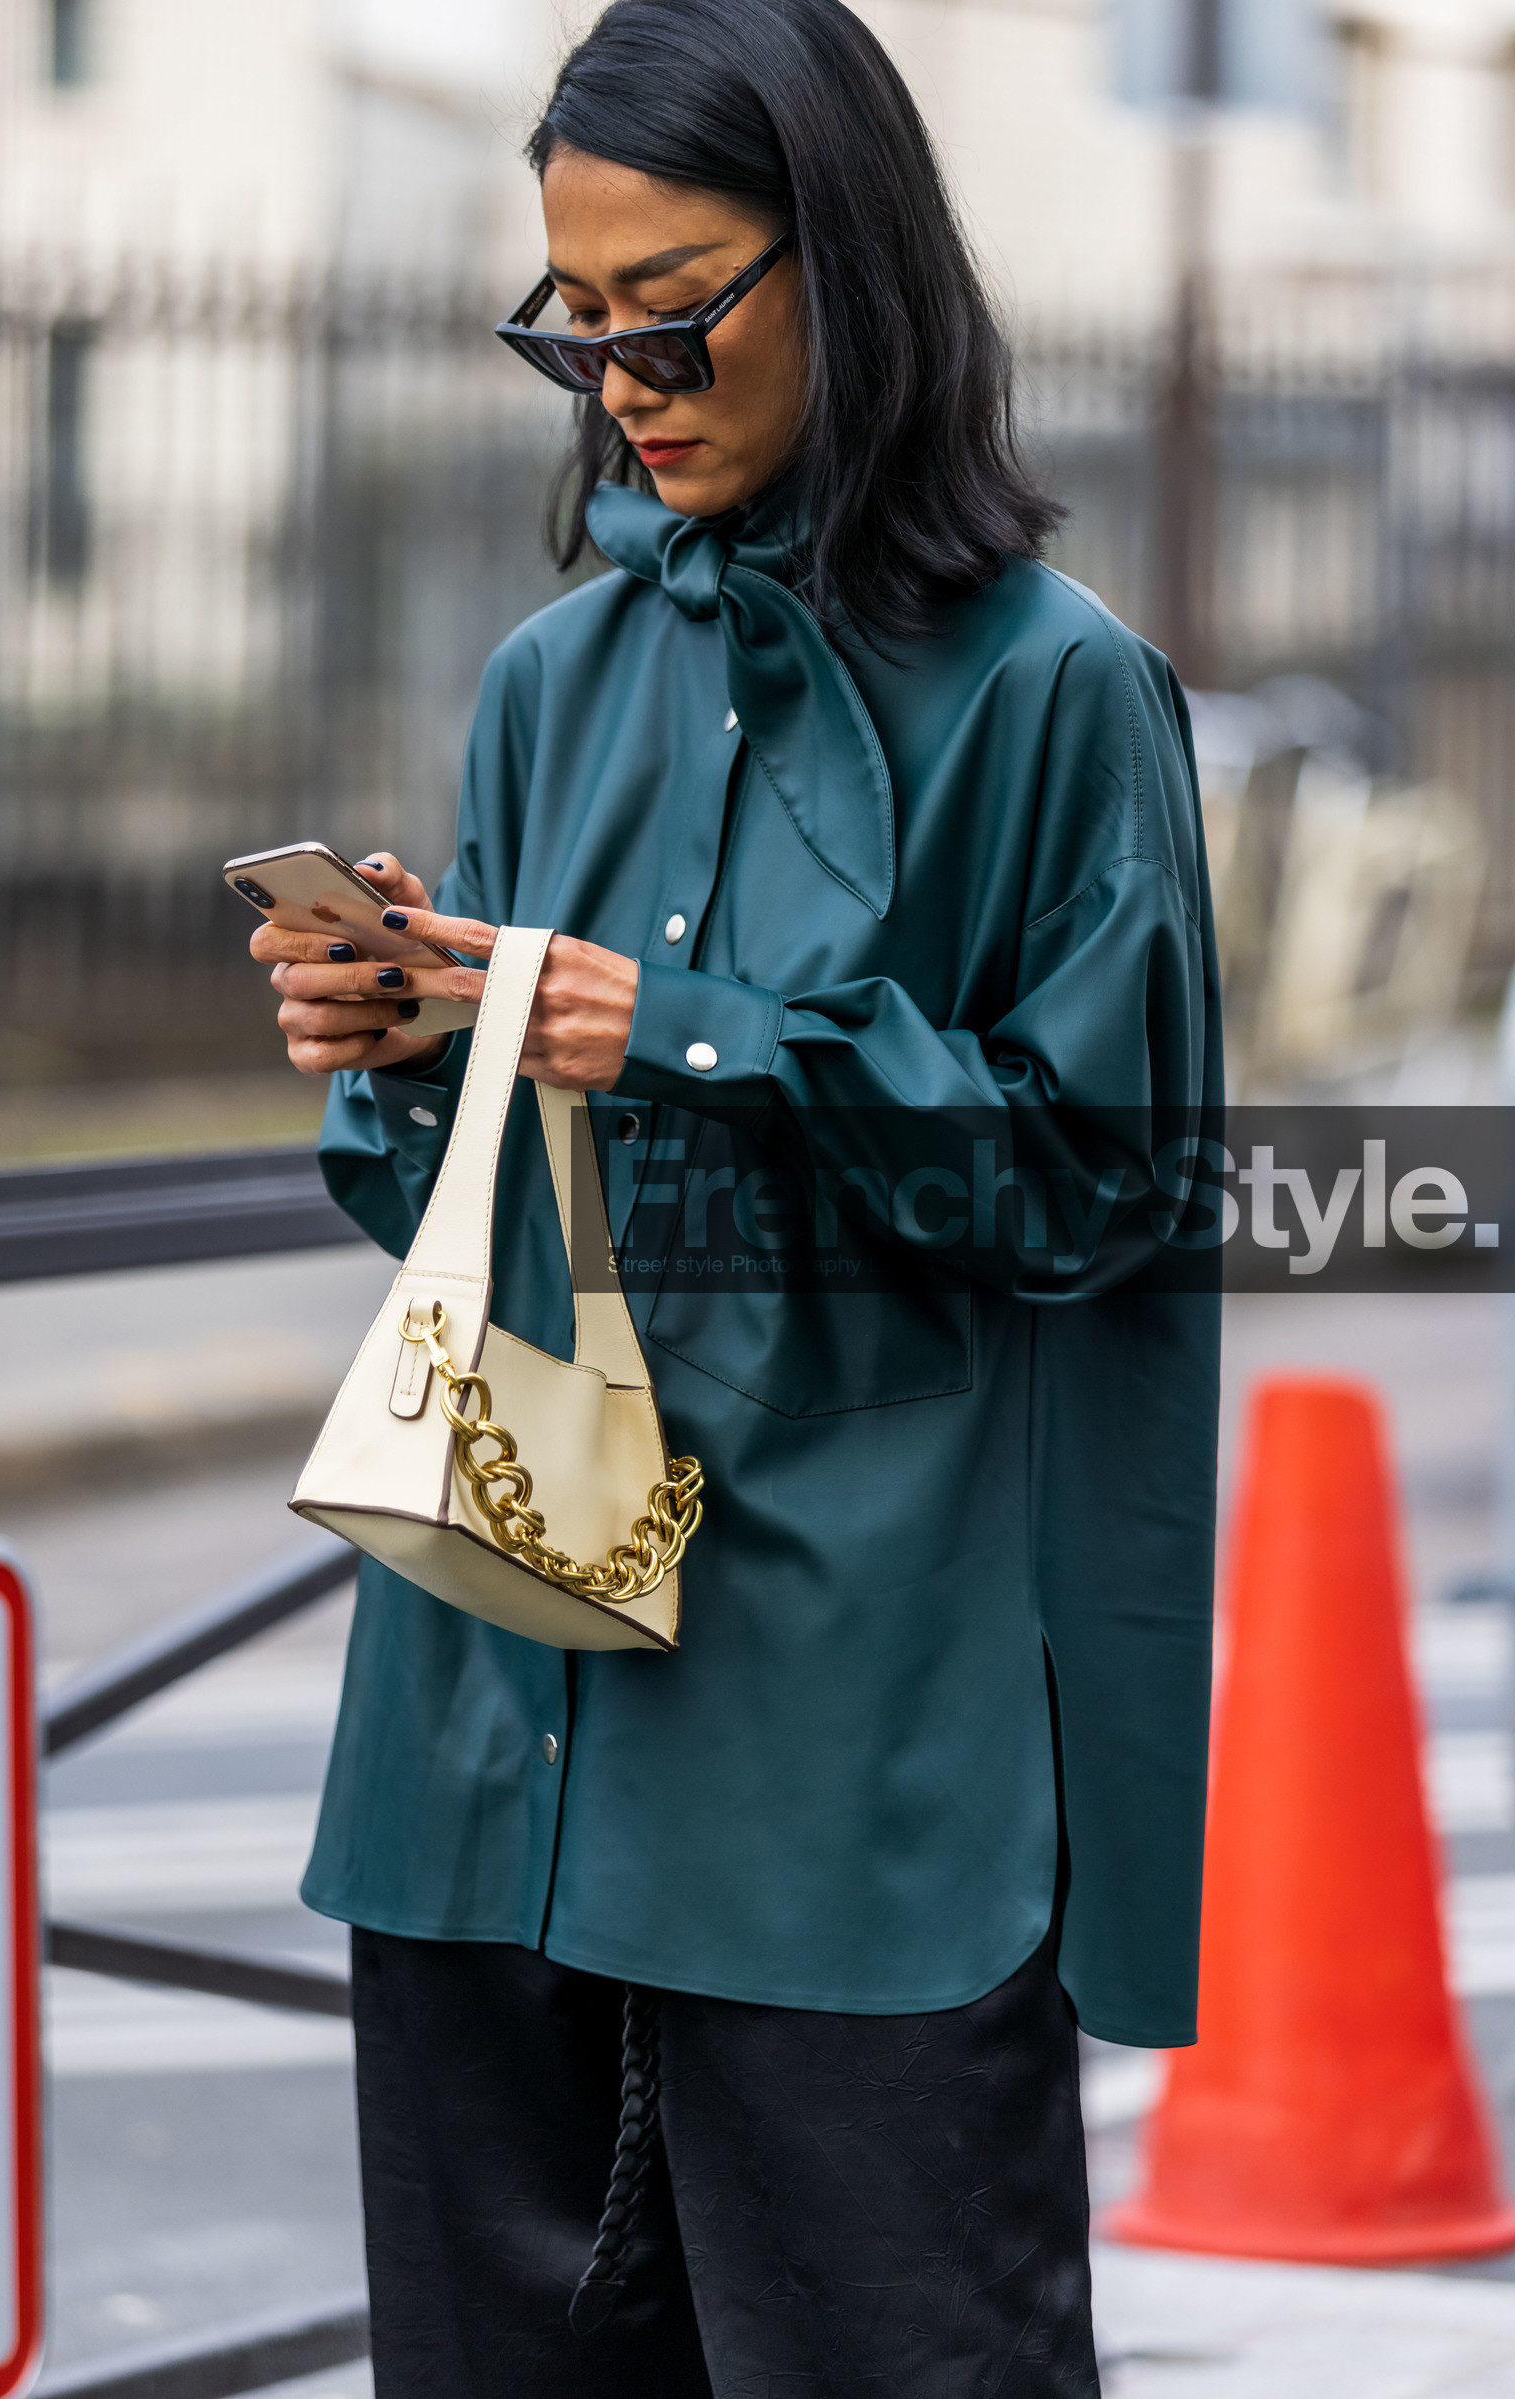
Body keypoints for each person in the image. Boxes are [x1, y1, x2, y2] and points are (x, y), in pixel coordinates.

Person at [251, 1, 1221, 2390]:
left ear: (852, 259)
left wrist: (675, 1030)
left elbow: (1098, 1185)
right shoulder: (544, 683)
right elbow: (485, 1227)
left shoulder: (1049, 695)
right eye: (572, 322)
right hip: (491, 1733)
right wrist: (409, 1060)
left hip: (853, 1783)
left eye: (669, 303)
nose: (620, 377)